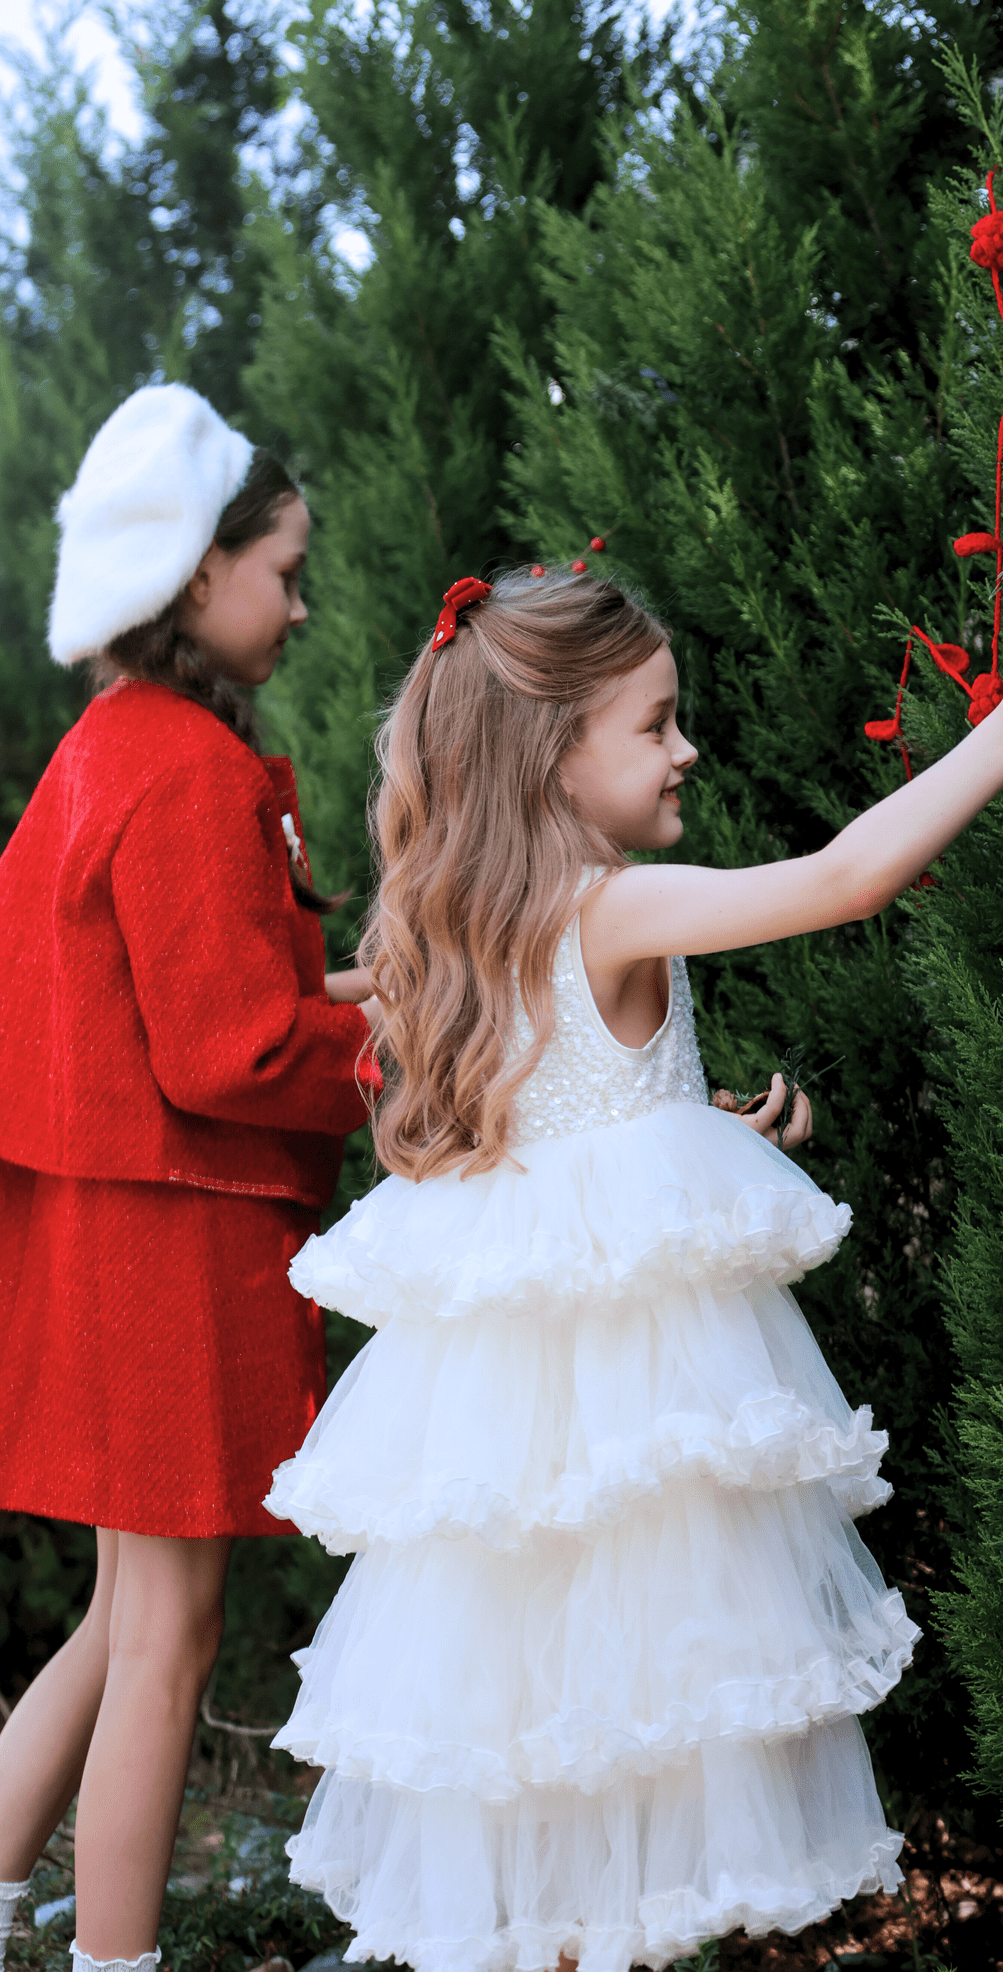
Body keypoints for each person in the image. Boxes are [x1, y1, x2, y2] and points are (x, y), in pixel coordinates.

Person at [266, 567, 1003, 1970]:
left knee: (544, 1773)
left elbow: (558, 1139)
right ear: (554, 755)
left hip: (513, 1465)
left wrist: (678, 1132)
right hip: (634, 1459)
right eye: (656, 724)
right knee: (639, 1764)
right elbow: (844, 882)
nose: (687, 750)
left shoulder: (471, 937)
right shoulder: (611, 908)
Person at [0, 385, 379, 1972]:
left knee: (115, 1620)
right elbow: (227, 1050)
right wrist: (403, 1060)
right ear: (193, 574)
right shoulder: (190, 775)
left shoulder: (100, 757)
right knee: (172, 1634)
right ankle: (115, 1965)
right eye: (281, 570)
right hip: (171, 1246)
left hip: (100, 1240)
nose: (298, 601)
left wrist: (381, 984)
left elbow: (178, 1005)